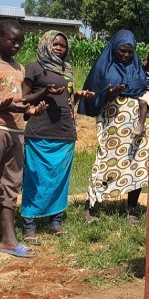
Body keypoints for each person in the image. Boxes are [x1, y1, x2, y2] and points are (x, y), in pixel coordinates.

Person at [0, 20, 43, 259]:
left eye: (20, 42)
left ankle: (8, 238)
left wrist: (32, 111)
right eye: (11, 40)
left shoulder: (19, 68)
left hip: (17, 132)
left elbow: (22, 104)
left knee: (11, 185)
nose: (16, 45)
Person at [21, 31, 93, 242]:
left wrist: (78, 95)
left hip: (65, 131)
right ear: (45, 45)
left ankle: (56, 221)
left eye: (63, 45)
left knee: (60, 179)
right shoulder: (35, 68)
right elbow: (24, 99)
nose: (59, 48)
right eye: (55, 44)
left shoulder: (66, 70)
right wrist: (43, 94)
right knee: (35, 178)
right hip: (40, 130)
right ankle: (29, 223)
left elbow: (67, 98)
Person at [79, 30, 149, 224]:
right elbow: (93, 96)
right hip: (113, 125)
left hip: (138, 125)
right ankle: (91, 207)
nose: (126, 55)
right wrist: (109, 95)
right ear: (114, 47)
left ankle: (132, 210)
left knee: (137, 164)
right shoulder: (103, 68)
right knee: (104, 162)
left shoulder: (138, 67)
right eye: (122, 50)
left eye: (130, 52)